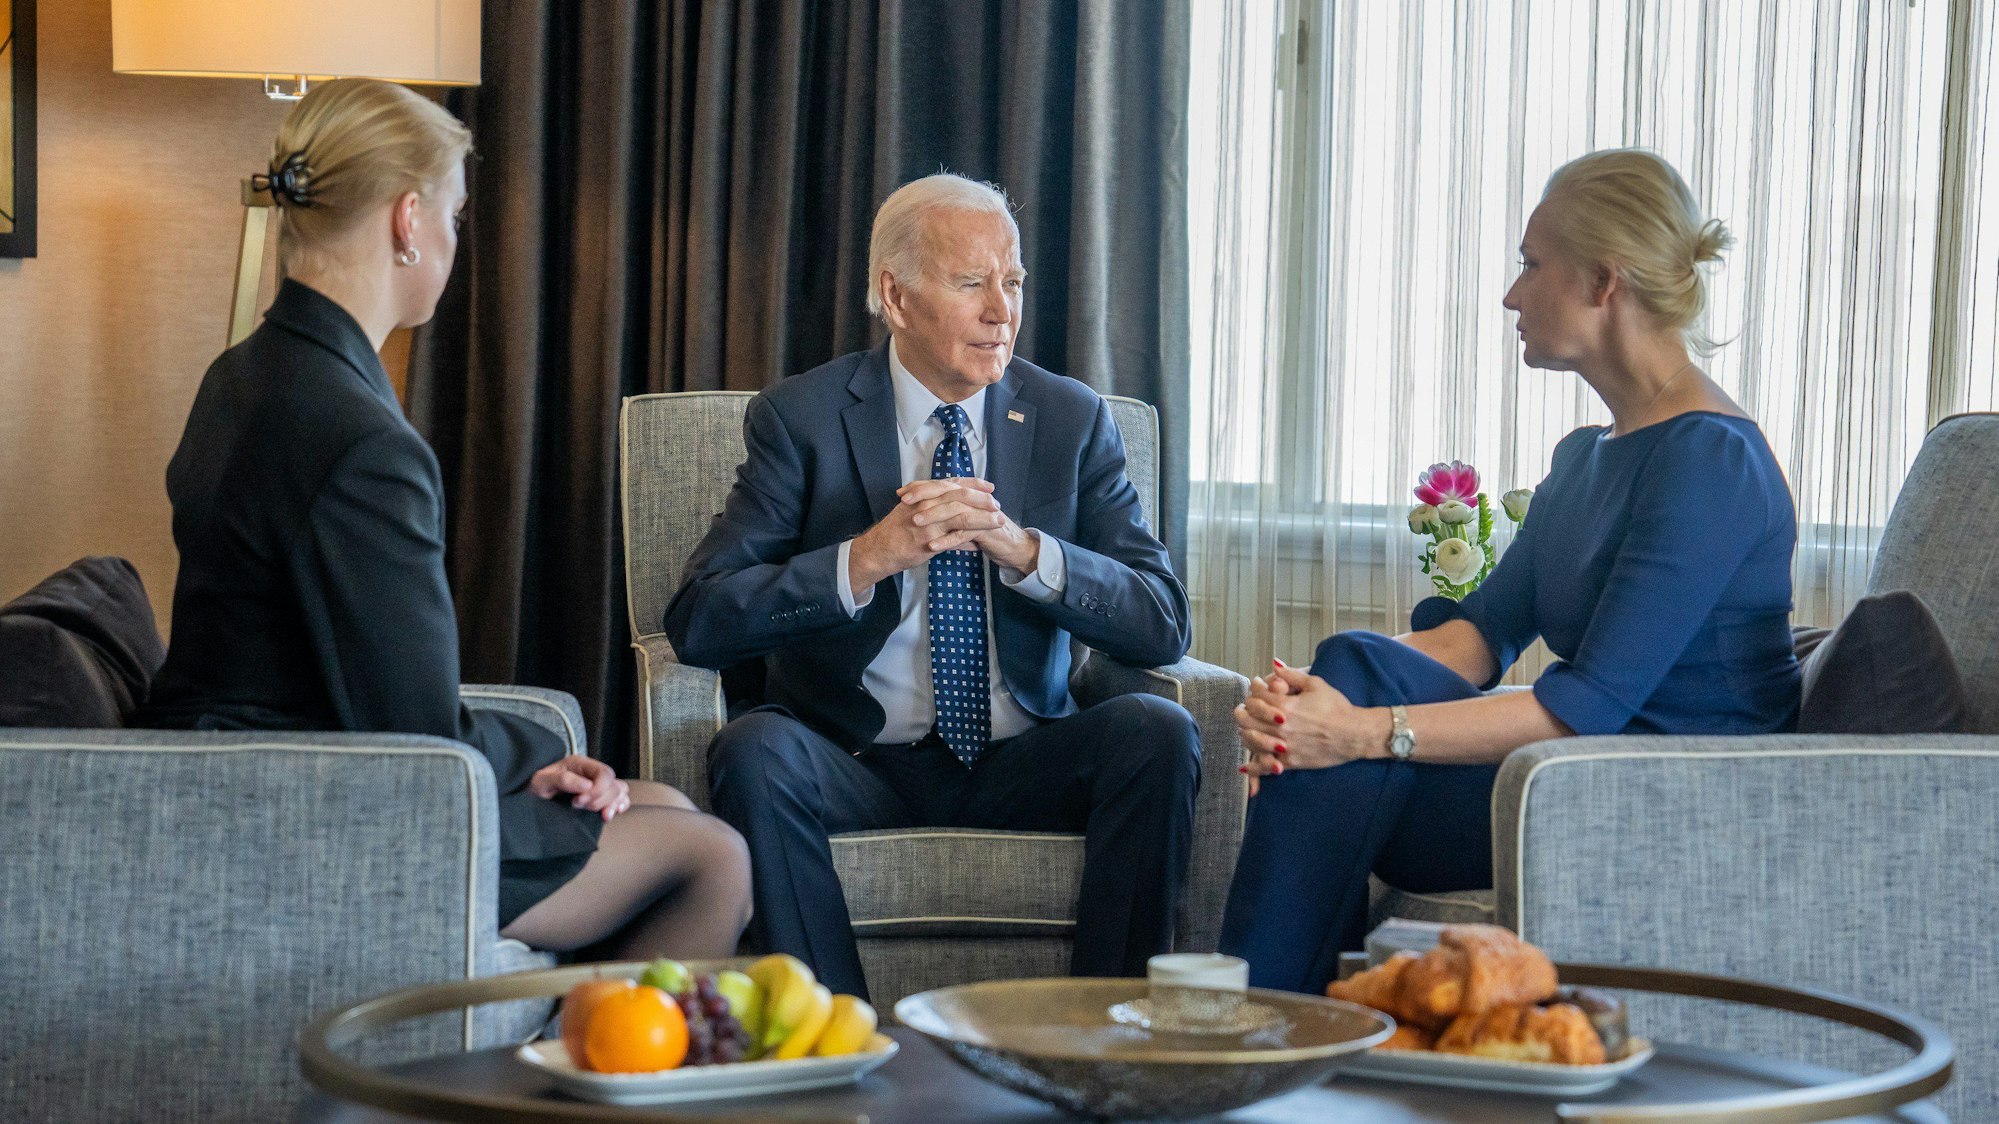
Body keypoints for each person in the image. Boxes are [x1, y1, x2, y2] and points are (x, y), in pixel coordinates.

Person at [144, 79, 750, 961]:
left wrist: (532, 755)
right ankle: (585, 1087)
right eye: (456, 218)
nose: (455, 241)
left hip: (258, 775)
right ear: (406, 219)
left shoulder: (243, 374)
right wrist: (539, 746)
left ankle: (582, 1065)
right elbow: (420, 736)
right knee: (712, 857)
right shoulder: (359, 441)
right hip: (318, 815)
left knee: (667, 807)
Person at [1219, 149, 1800, 993]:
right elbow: (1476, 638)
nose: (1510, 295)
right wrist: (1318, 697)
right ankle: (1280, 1033)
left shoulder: (1710, 462)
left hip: (1674, 797)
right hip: (1574, 777)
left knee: (1345, 740)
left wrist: (1358, 728)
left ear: (1604, 282)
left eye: (1532, 266)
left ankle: (1260, 1032)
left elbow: (1587, 710)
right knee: (1347, 667)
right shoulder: (1587, 458)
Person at [663, 173, 1201, 1000]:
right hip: (856, 756)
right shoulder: (801, 418)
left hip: (1026, 754)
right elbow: (700, 618)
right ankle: (833, 1040)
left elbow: (1161, 620)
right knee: (754, 749)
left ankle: (1104, 1032)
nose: (1001, 310)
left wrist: (1027, 553)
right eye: (969, 282)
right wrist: (867, 557)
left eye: (1012, 282)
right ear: (895, 296)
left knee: (1157, 730)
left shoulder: (1070, 417)